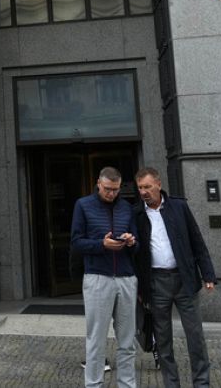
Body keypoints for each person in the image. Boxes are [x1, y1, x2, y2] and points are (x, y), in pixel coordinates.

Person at [132, 168, 217, 388]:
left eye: (148, 187)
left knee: (195, 335)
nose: (144, 192)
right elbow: (136, 254)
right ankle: (172, 384)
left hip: (184, 279)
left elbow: (197, 240)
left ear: (158, 185)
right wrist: (140, 288)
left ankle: (202, 383)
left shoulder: (179, 207)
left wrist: (208, 274)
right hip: (155, 282)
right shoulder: (136, 214)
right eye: (140, 188)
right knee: (162, 339)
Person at [71, 166, 139, 388]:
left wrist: (131, 241)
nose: (112, 193)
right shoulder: (83, 205)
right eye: (108, 189)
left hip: (126, 277)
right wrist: (102, 244)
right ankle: (93, 385)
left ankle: (127, 385)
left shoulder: (127, 207)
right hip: (97, 278)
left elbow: (138, 245)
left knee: (127, 342)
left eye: (116, 189)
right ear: (98, 183)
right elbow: (76, 243)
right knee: (96, 341)